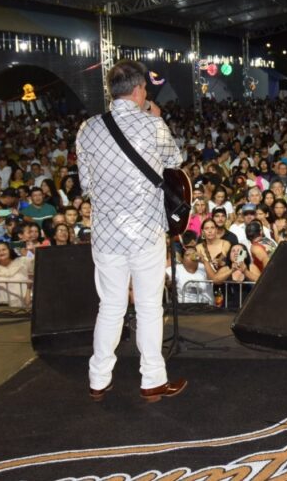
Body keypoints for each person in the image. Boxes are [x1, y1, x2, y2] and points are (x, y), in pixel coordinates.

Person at [75, 59, 186, 404]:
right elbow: (176, 161)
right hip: (146, 231)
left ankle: (98, 380)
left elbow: (86, 184)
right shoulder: (152, 126)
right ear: (140, 90)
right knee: (150, 305)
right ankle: (152, 380)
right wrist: (156, 117)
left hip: (107, 234)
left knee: (110, 306)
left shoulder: (87, 129)